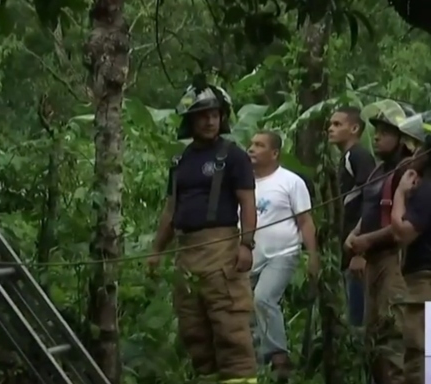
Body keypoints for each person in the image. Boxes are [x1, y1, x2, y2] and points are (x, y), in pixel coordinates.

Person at [147, 82, 258, 384]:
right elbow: (170, 211)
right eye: (203, 115)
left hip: (221, 251)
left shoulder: (233, 156)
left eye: (215, 114)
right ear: (190, 120)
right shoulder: (180, 161)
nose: (210, 121)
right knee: (194, 332)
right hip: (187, 254)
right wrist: (156, 251)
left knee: (230, 330)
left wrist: (247, 245)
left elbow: (248, 203)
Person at [345, 100, 415, 384]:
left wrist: (366, 241)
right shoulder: (378, 171)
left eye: (385, 132)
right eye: (376, 132)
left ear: (402, 137)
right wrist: (354, 234)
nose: (376, 137)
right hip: (373, 262)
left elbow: (402, 224)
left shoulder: (408, 172)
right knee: (373, 338)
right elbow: (371, 210)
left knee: (395, 334)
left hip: (395, 261)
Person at [246, 131, 319, 380]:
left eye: (259, 145)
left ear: (274, 153)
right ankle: (258, 365)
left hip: (283, 253)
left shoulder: (290, 181)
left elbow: (305, 220)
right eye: (252, 144)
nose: (252, 149)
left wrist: (313, 256)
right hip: (250, 257)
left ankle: (279, 359)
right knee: (246, 309)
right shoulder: (244, 183)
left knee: (263, 299)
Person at [389, 111, 431, 384]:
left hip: (424, 279)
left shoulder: (427, 190)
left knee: (419, 354)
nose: (411, 154)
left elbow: (403, 232)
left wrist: (400, 193)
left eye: (416, 147)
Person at [328, 106, 377, 328]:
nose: (331, 129)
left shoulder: (359, 156)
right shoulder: (346, 158)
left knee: (361, 318)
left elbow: (371, 200)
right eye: (331, 124)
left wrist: (361, 250)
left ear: (354, 128)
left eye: (338, 124)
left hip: (358, 249)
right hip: (348, 248)